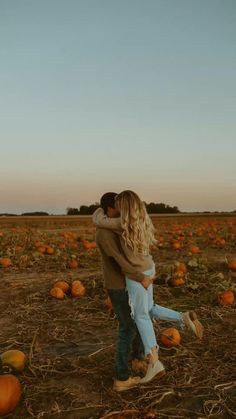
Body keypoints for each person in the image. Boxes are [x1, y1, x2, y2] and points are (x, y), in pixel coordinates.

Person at [93, 190, 204, 384]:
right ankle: (182, 318)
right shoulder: (141, 218)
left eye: (121, 206)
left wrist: (139, 277)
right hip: (148, 268)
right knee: (148, 309)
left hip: (136, 276)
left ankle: (152, 361)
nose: (118, 210)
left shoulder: (119, 224)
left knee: (139, 318)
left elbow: (100, 222)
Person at [94, 192, 154, 392]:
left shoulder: (113, 224)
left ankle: (137, 359)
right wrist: (140, 277)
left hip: (127, 282)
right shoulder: (104, 233)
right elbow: (119, 262)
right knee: (127, 327)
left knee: (137, 320)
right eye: (118, 207)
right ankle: (121, 377)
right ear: (110, 209)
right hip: (119, 285)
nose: (122, 211)